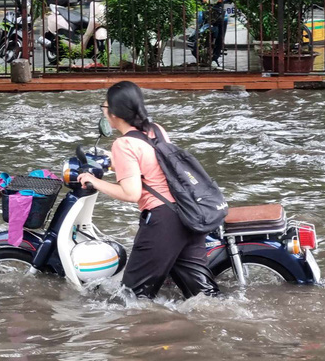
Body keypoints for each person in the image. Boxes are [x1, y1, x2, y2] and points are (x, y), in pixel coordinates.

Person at [77, 81, 220, 299]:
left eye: (105, 108)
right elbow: (155, 164)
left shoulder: (123, 144)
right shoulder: (156, 130)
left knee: (132, 297)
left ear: (115, 113)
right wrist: (112, 164)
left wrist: (93, 181)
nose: (104, 113)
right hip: (188, 213)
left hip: (164, 220)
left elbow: (131, 193)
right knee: (203, 295)